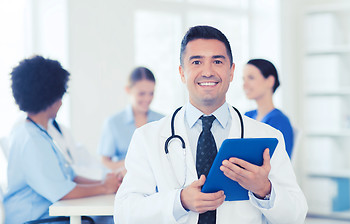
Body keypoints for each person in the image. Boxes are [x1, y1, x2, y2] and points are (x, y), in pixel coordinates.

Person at [114, 25, 307, 223]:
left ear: (231, 72)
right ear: (182, 73)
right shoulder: (148, 137)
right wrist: (179, 201)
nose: (207, 71)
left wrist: (264, 189)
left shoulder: (267, 135)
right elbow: (124, 213)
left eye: (217, 61)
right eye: (197, 62)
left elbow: (296, 215)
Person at [3, 56, 120, 224]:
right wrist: (105, 187)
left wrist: (107, 183)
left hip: (50, 216)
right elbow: (62, 191)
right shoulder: (31, 140)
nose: (61, 102)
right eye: (61, 96)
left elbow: (69, 177)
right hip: (35, 220)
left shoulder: (38, 133)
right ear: (52, 99)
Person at [98, 67, 164, 173]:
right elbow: (104, 162)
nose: (147, 99)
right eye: (141, 94)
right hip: (125, 182)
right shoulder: (113, 123)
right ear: (128, 90)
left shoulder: (163, 121)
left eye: (151, 93)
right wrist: (132, 164)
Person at [243, 59, 294, 158]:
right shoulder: (247, 116)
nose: (244, 85)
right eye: (243, 79)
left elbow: (281, 161)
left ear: (270, 81)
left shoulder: (280, 121)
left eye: (251, 78)